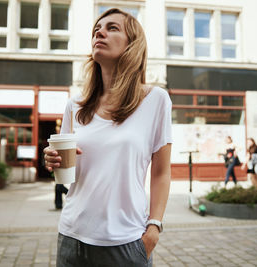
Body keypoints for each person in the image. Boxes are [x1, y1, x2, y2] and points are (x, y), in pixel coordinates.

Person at [44, 8, 172, 267]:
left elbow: (161, 172)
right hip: (72, 237)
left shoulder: (156, 100)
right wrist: (53, 160)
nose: (99, 32)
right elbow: (68, 172)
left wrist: (154, 228)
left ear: (132, 45)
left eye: (112, 28)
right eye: (96, 30)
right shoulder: (75, 106)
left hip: (126, 241)